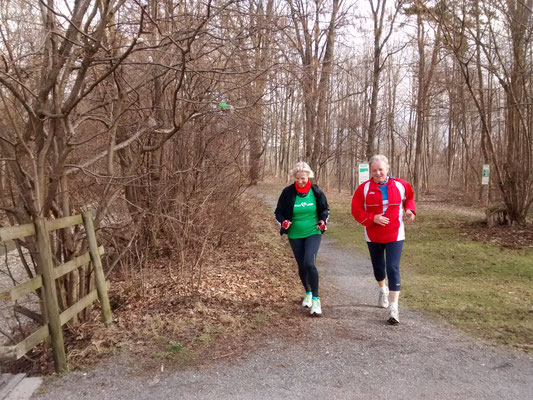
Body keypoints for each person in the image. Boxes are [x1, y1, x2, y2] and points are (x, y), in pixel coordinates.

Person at [351, 155, 416, 324]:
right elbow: (356, 211)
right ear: (370, 172)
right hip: (373, 234)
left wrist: (410, 210)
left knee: (392, 267)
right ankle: (382, 290)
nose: (378, 173)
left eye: (381, 169)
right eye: (374, 170)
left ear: (387, 168)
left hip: (395, 233)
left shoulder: (401, 184)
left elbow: (409, 197)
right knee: (379, 269)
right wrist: (373, 218)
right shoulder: (364, 189)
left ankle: (394, 309)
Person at [275, 162, 329, 316]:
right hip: (295, 234)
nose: (300, 181)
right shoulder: (287, 193)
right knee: (302, 266)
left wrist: (323, 221)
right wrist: (284, 222)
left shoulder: (316, 191)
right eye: (298, 178)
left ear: (308, 177)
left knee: (309, 263)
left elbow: (325, 209)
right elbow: (278, 212)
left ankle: (317, 300)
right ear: (294, 177)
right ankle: (308, 293)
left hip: (313, 232)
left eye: (303, 178)